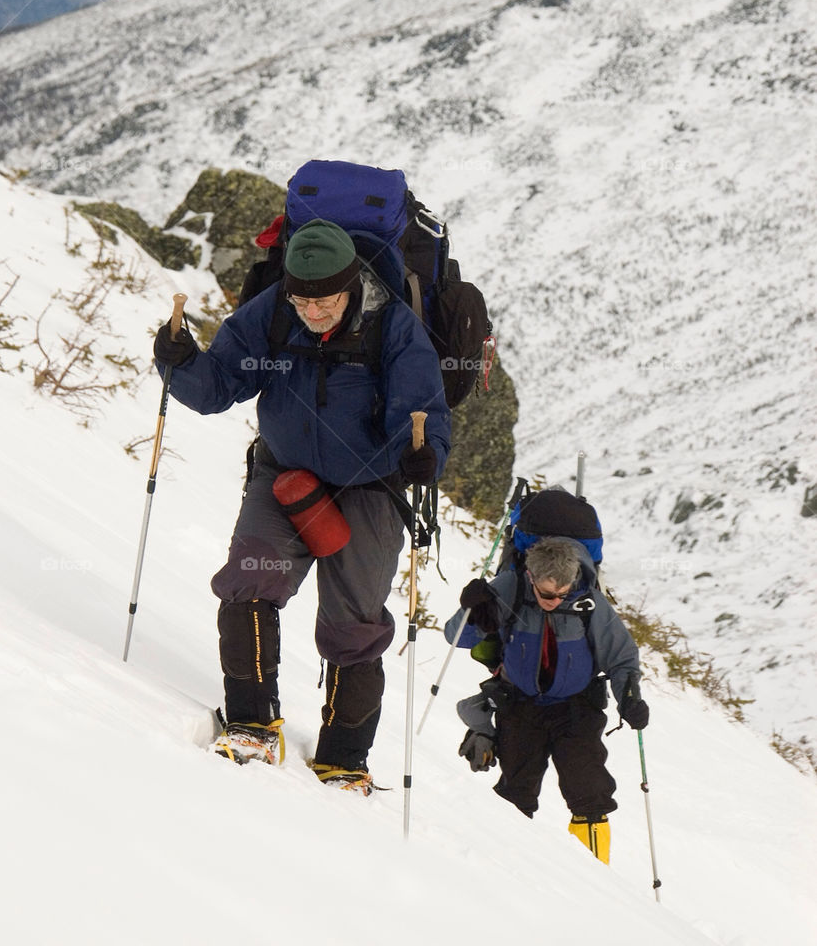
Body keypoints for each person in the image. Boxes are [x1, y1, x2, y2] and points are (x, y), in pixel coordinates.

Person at [154, 218, 451, 793]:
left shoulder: (394, 327)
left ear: (351, 285)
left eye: (326, 301)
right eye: (302, 301)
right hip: (284, 475)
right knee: (249, 579)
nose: (313, 312)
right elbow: (219, 385)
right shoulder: (271, 311)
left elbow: (423, 413)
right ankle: (251, 723)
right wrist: (181, 361)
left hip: (370, 488)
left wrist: (423, 456)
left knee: (354, 624)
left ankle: (343, 761)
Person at [445, 532, 649, 862]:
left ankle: (595, 880)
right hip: (520, 705)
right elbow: (456, 637)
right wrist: (471, 608)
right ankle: (505, 870)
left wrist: (629, 700)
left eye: (561, 593)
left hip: (577, 707)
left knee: (590, 792)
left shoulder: (589, 601)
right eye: (546, 594)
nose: (554, 600)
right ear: (531, 577)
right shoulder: (511, 588)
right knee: (515, 792)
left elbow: (622, 657)